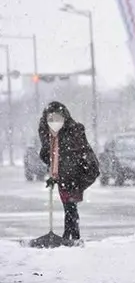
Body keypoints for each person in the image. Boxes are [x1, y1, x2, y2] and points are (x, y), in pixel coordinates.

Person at [38, 101, 100, 241]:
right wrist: (54, 176)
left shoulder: (74, 131)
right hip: (62, 176)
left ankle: (71, 237)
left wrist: (74, 173)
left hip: (76, 174)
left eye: (58, 119)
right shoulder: (49, 135)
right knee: (69, 207)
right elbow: (52, 158)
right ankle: (71, 237)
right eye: (51, 119)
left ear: (65, 118)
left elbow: (75, 155)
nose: (55, 122)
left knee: (70, 206)